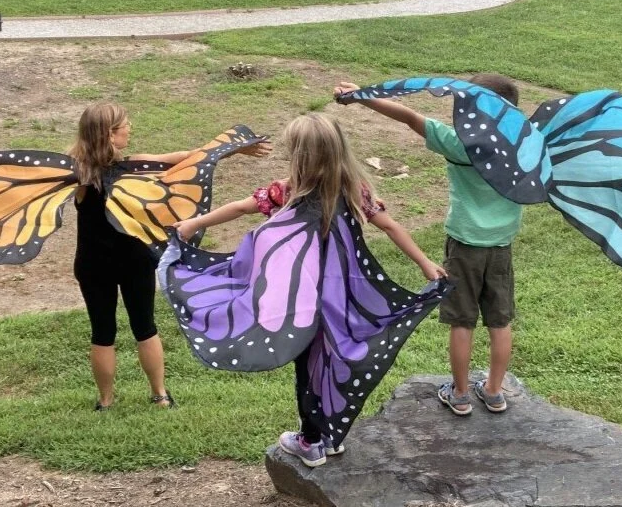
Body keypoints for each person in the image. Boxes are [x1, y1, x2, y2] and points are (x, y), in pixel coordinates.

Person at [0, 102, 271, 412]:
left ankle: (106, 401)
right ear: (111, 134)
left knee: (102, 331)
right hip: (134, 261)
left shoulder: (74, 172)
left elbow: (15, 163)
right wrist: (231, 149)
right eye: (125, 126)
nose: (130, 129)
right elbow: (186, 157)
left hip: (92, 265)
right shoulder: (128, 167)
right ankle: (160, 395)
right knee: (144, 327)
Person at [173, 112, 446, 466]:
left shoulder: (286, 193)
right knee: (331, 361)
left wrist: (194, 222)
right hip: (341, 301)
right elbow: (391, 226)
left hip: (298, 302)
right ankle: (329, 436)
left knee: (307, 366)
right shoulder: (353, 191)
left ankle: (311, 441)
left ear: (298, 156)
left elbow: (241, 208)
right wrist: (425, 264)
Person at [334, 74, 522, 416]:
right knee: (500, 320)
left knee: (462, 321)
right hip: (501, 247)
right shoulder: (523, 149)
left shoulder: (459, 143)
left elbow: (409, 117)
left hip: (464, 246)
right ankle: (494, 391)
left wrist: (361, 97)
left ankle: (461, 394)